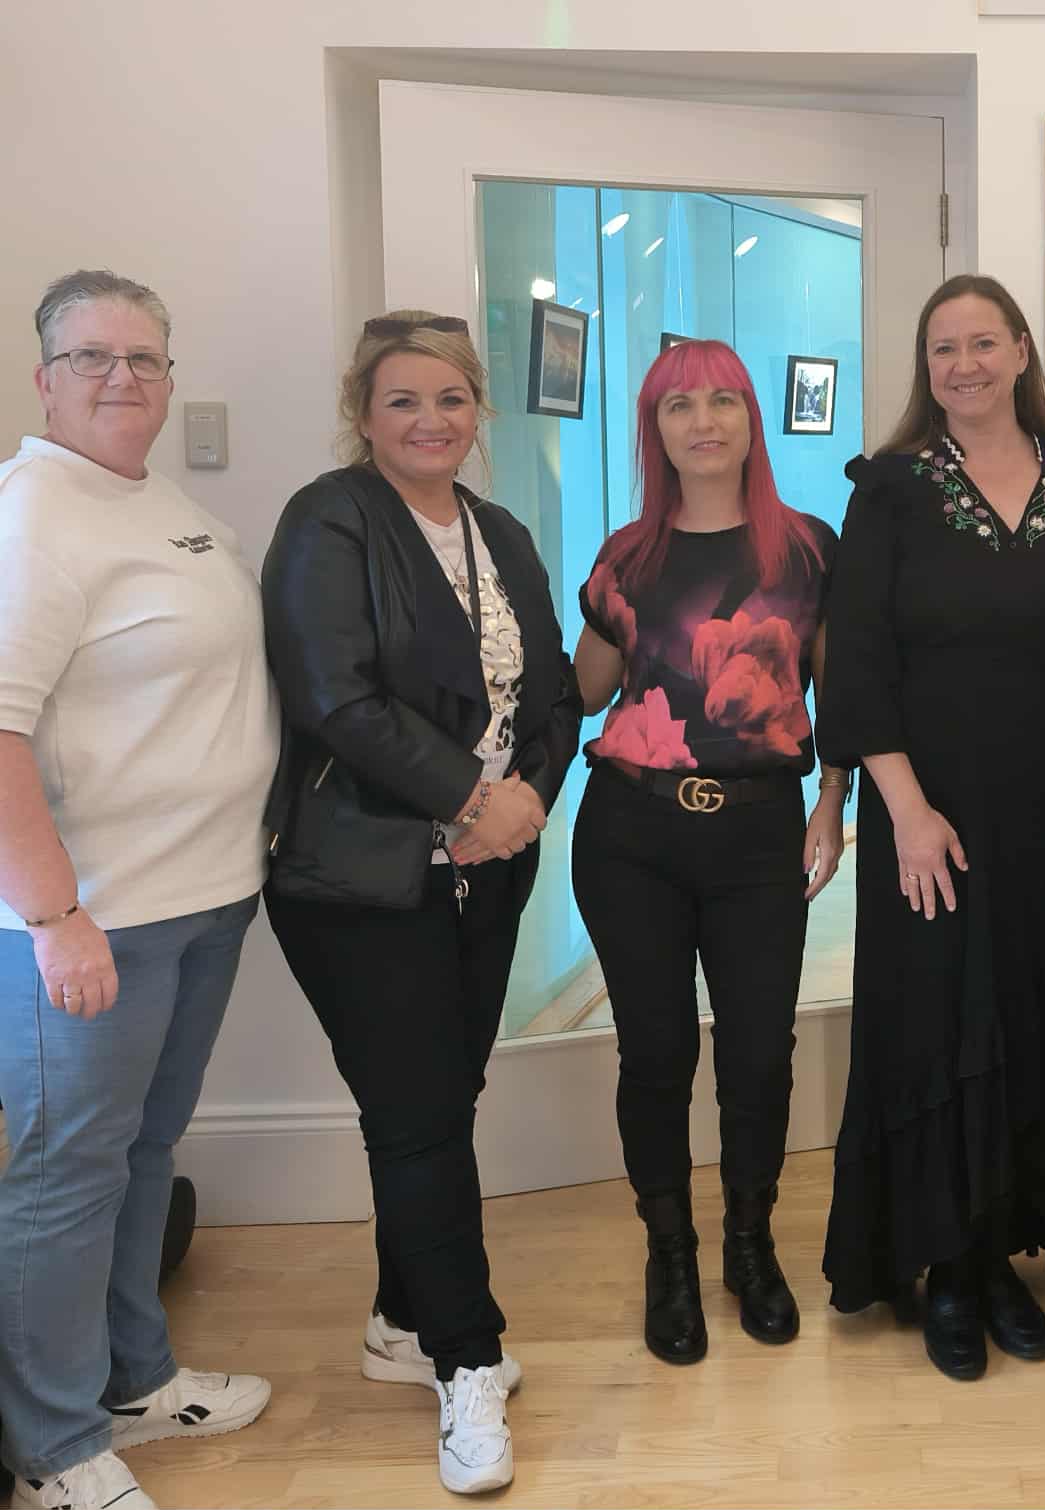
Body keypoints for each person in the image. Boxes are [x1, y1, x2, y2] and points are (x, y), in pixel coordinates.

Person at [261, 310, 581, 1495]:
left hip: (488, 868)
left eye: (450, 398)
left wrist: (528, 796)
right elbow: (332, 696)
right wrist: (469, 798)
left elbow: (553, 692)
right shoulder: (328, 520)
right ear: (363, 413)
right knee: (417, 1120)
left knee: (443, 1100)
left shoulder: (500, 531)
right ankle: (466, 1359)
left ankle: (402, 1318)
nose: (429, 420)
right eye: (402, 399)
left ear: (477, 410)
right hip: (361, 874)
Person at [818, 273, 1045, 1380]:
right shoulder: (892, 489)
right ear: (927, 367)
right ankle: (946, 1264)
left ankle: (1003, 1253)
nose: (962, 365)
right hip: (928, 811)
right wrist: (905, 813)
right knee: (936, 1022)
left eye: (982, 343)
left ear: (1019, 351)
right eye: (942, 348)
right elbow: (857, 664)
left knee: (1031, 1013)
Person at [0, 269, 278, 1510]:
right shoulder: (33, 515)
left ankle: (134, 1379)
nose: (123, 377)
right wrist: (54, 917)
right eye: (92, 356)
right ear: (44, 378)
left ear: (170, 377)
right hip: (95, 922)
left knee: (140, 1152)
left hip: (203, 899)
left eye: (146, 357)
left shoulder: (153, 501)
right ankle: (54, 1449)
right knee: (66, 1176)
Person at [571, 338, 843, 1365]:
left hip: (759, 832)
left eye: (723, 400)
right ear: (656, 429)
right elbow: (585, 690)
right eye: (679, 405)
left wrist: (835, 802)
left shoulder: (807, 550)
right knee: (655, 1053)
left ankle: (748, 1244)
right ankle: (671, 1254)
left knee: (758, 1053)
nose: (704, 421)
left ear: (749, 419)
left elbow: (842, 696)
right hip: (629, 835)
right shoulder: (627, 556)